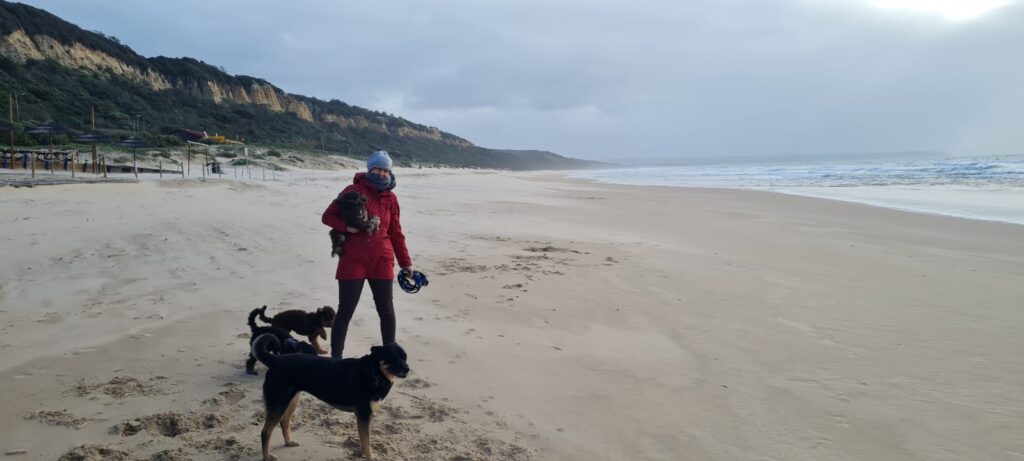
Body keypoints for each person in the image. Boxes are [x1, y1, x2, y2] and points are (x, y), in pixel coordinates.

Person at [321, 150, 413, 358]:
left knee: (387, 311)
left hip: (382, 260)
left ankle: (390, 356)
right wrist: (346, 227)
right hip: (353, 261)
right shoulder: (353, 190)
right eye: (377, 168)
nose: (381, 173)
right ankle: (336, 360)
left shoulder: (391, 198)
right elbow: (327, 217)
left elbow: (396, 232)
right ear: (369, 168)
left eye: (385, 169)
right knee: (344, 312)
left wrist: (406, 262)